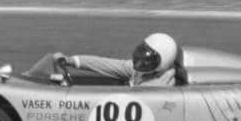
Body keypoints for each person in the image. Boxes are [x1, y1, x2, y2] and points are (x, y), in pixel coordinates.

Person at [53, 32, 185, 87]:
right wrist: (71, 60)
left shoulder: (161, 85)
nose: (140, 61)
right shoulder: (143, 70)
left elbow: (138, 94)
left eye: (147, 59)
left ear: (161, 64)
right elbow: (107, 65)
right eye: (142, 53)